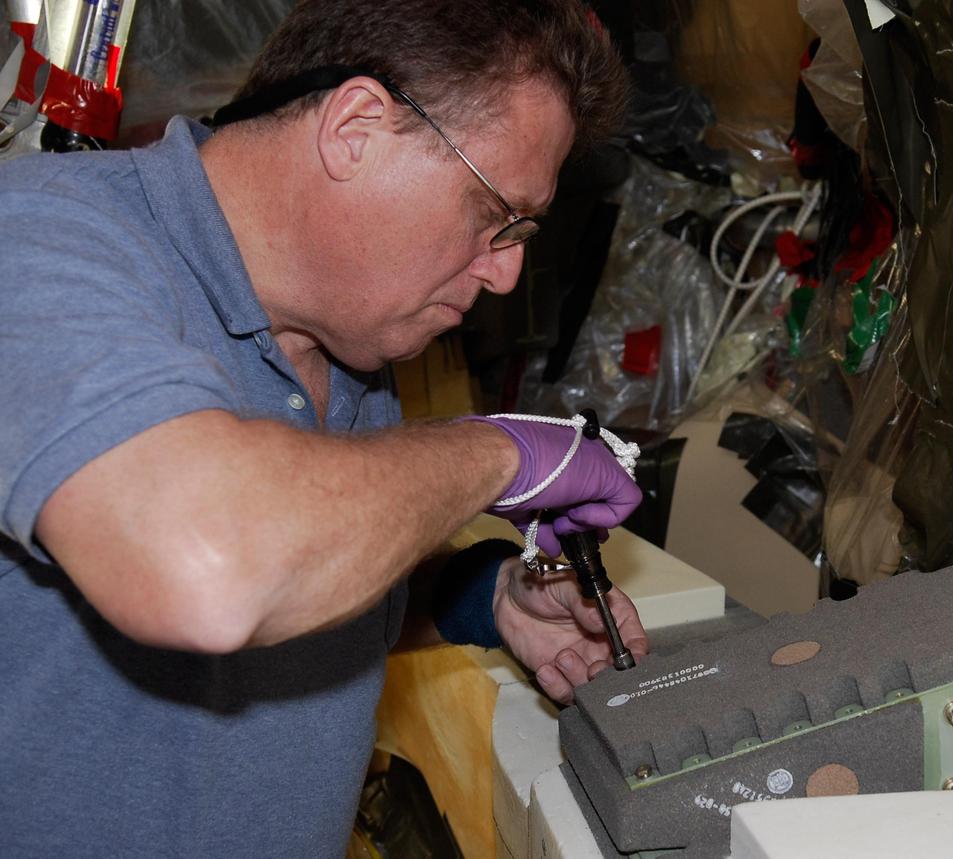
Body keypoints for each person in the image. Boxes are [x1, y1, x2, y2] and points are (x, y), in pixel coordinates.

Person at [0, 1, 648, 855]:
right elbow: (209, 566)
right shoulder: (42, 240)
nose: (504, 272)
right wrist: (503, 453)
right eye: (497, 215)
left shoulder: (349, 349)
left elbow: (304, 579)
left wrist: (483, 594)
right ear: (356, 128)